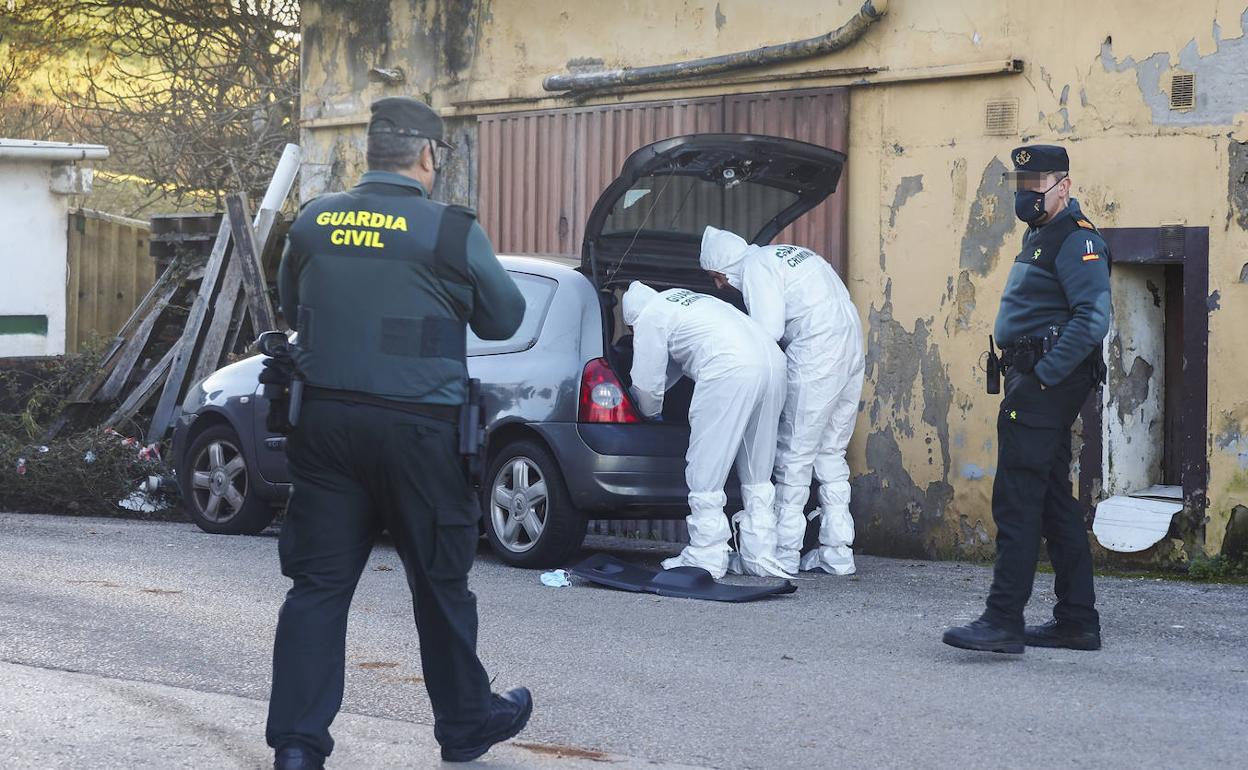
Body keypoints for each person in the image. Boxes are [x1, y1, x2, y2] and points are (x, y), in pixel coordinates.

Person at [266, 96, 531, 769]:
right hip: (420, 432)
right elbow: (504, 320)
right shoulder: (449, 230)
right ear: (428, 155)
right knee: (440, 583)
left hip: (324, 428)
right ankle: (467, 724)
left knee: (317, 588)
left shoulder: (315, 221)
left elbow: (295, 307)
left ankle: (299, 745)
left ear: (368, 153)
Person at [942, 144, 1110, 655]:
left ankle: (1002, 620)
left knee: (1017, 499)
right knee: (1055, 501)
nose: (1027, 193)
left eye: (1037, 185)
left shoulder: (1078, 241)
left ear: (1064, 186)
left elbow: (1092, 319)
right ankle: (1077, 621)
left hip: (1044, 384)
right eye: (1021, 184)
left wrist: (1042, 377)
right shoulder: (1042, 234)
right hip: (1036, 377)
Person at [699, 227, 865, 575]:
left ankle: (785, 554)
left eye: (717, 279)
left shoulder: (757, 267)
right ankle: (837, 553)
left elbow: (769, 331)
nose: (720, 287)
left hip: (818, 351)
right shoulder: (785, 253)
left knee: (794, 455)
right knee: (831, 452)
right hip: (851, 342)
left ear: (724, 269)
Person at [621, 281, 788, 579]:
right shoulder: (690, 301)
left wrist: (646, 413)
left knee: (706, 464)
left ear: (633, 321)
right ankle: (759, 554)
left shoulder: (649, 317)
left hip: (730, 366)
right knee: (757, 467)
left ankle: (706, 554)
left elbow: (648, 387)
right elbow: (673, 368)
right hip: (773, 362)